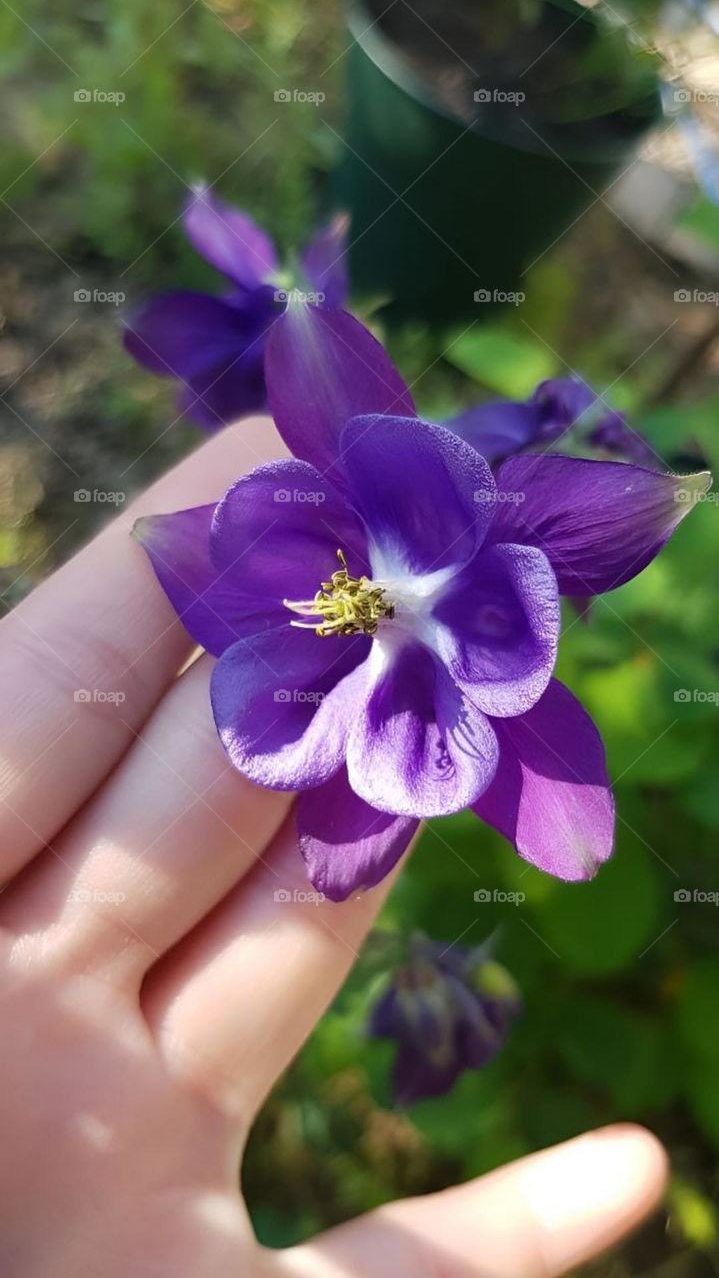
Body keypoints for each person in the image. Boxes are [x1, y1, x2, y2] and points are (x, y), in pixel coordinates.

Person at [0, 418, 667, 1276]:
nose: (351, 603)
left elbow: (570, 830)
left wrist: (656, 500)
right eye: (347, 596)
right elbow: (190, 544)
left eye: (353, 597)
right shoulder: (308, 603)